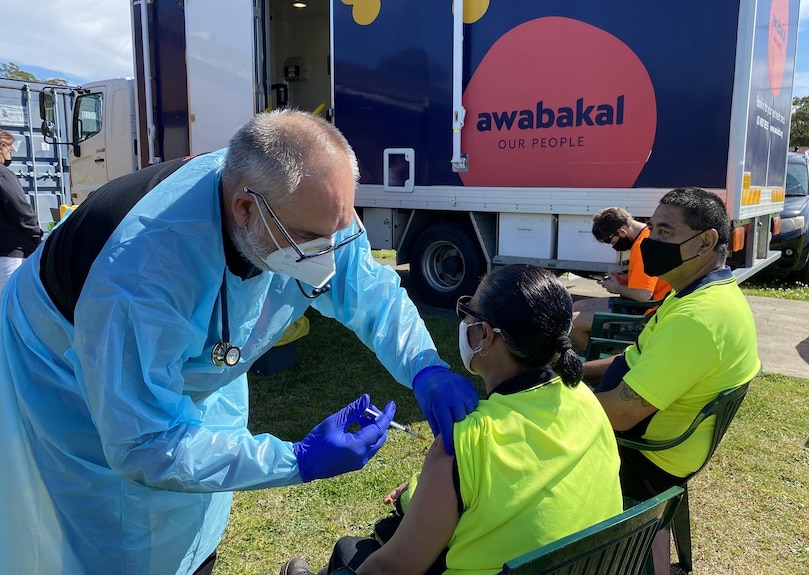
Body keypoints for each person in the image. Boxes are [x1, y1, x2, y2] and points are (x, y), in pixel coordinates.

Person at [0, 110, 478, 575]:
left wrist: (424, 365)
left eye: (340, 233)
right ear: (245, 208)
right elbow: (144, 443)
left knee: (197, 512)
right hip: (62, 371)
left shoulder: (306, 205)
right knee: (110, 530)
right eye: (311, 240)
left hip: (180, 357)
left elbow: (368, 291)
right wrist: (297, 460)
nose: (329, 261)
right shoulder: (142, 275)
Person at [284, 264, 623, 575]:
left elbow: (391, 569)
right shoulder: (585, 400)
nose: (463, 323)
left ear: (485, 335)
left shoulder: (464, 442)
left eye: (466, 312)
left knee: (349, 551)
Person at [583, 187, 761, 501]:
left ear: (705, 242)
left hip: (642, 459)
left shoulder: (696, 320)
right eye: (652, 229)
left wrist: (553, 402)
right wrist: (577, 372)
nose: (651, 241)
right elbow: (636, 355)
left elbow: (621, 415)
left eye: (665, 232)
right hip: (652, 445)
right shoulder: (696, 294)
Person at [569, 207, 671, 350]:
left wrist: (617, 287)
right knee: (574, 307)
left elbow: (643, 295)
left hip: (646, 312)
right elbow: (650, 276)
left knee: (572, 323)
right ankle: (602, 350)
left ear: (622, 232)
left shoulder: (642, 245)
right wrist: (623, 278)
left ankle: (598, 365)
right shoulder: (646, 236)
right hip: (641, 305)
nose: (613, 246)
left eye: (612, 242)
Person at [0, 129, 43, 294]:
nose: (11, 153)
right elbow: (21, 209)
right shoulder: (3, 175)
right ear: (2, 146)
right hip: (12, 253)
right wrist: (37, 237)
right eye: (10, 149)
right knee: (10, 304)